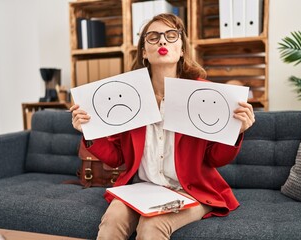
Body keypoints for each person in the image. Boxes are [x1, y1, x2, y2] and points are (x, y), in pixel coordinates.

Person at [71, 13, 255, 240]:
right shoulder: (129, 96)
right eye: (153, 37)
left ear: (182, 49)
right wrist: (88, 131)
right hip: (141, 188)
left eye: (170, 36)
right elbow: (115, 158)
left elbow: (215, 159)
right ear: (143, 52)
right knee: (112, 220)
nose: (162, 41)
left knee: (152, 226)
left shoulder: (202, 94)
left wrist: (236, 132)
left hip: (190, 191)